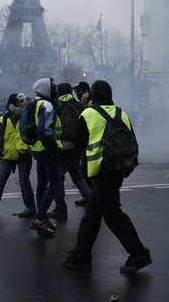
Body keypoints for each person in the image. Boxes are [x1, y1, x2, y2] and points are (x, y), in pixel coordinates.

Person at [62, 80, 152, 273]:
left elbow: (77, 143)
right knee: (93, 213)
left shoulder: (88, 113)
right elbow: (132, 140)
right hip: (118, 168)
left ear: (92, 95)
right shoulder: (121, 112)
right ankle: (81, 255)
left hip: (101, 170)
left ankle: (139, 253)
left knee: (112, 214)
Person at [0, 93, 36, 219]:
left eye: (24, 101)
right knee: (0, 182)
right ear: (13, 103)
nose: (23, 103)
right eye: (20, 101)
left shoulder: (27, 116)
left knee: (24, 182)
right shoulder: (4, 118)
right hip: (8, 155)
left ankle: (30, 208)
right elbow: (0, 138)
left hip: (24, 154)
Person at [48, 82, 92, 220]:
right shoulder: (77, 104)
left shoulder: (58, 105)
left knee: (56, 178)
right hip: (76, 147)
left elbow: (61, 128)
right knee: (77, 176)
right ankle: (92, 201)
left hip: (64, 148)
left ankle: (60, 209)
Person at [28, 78, 63, 235]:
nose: (55, 91)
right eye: (53, 88)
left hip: (37, 149)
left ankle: (41, 218)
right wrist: (54, 148)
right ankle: (40, 217)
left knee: (42, 184)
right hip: (47, 150)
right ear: (46, 89)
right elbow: (44, 131)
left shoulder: (35, 103)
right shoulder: (47, 105)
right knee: (55, 182)